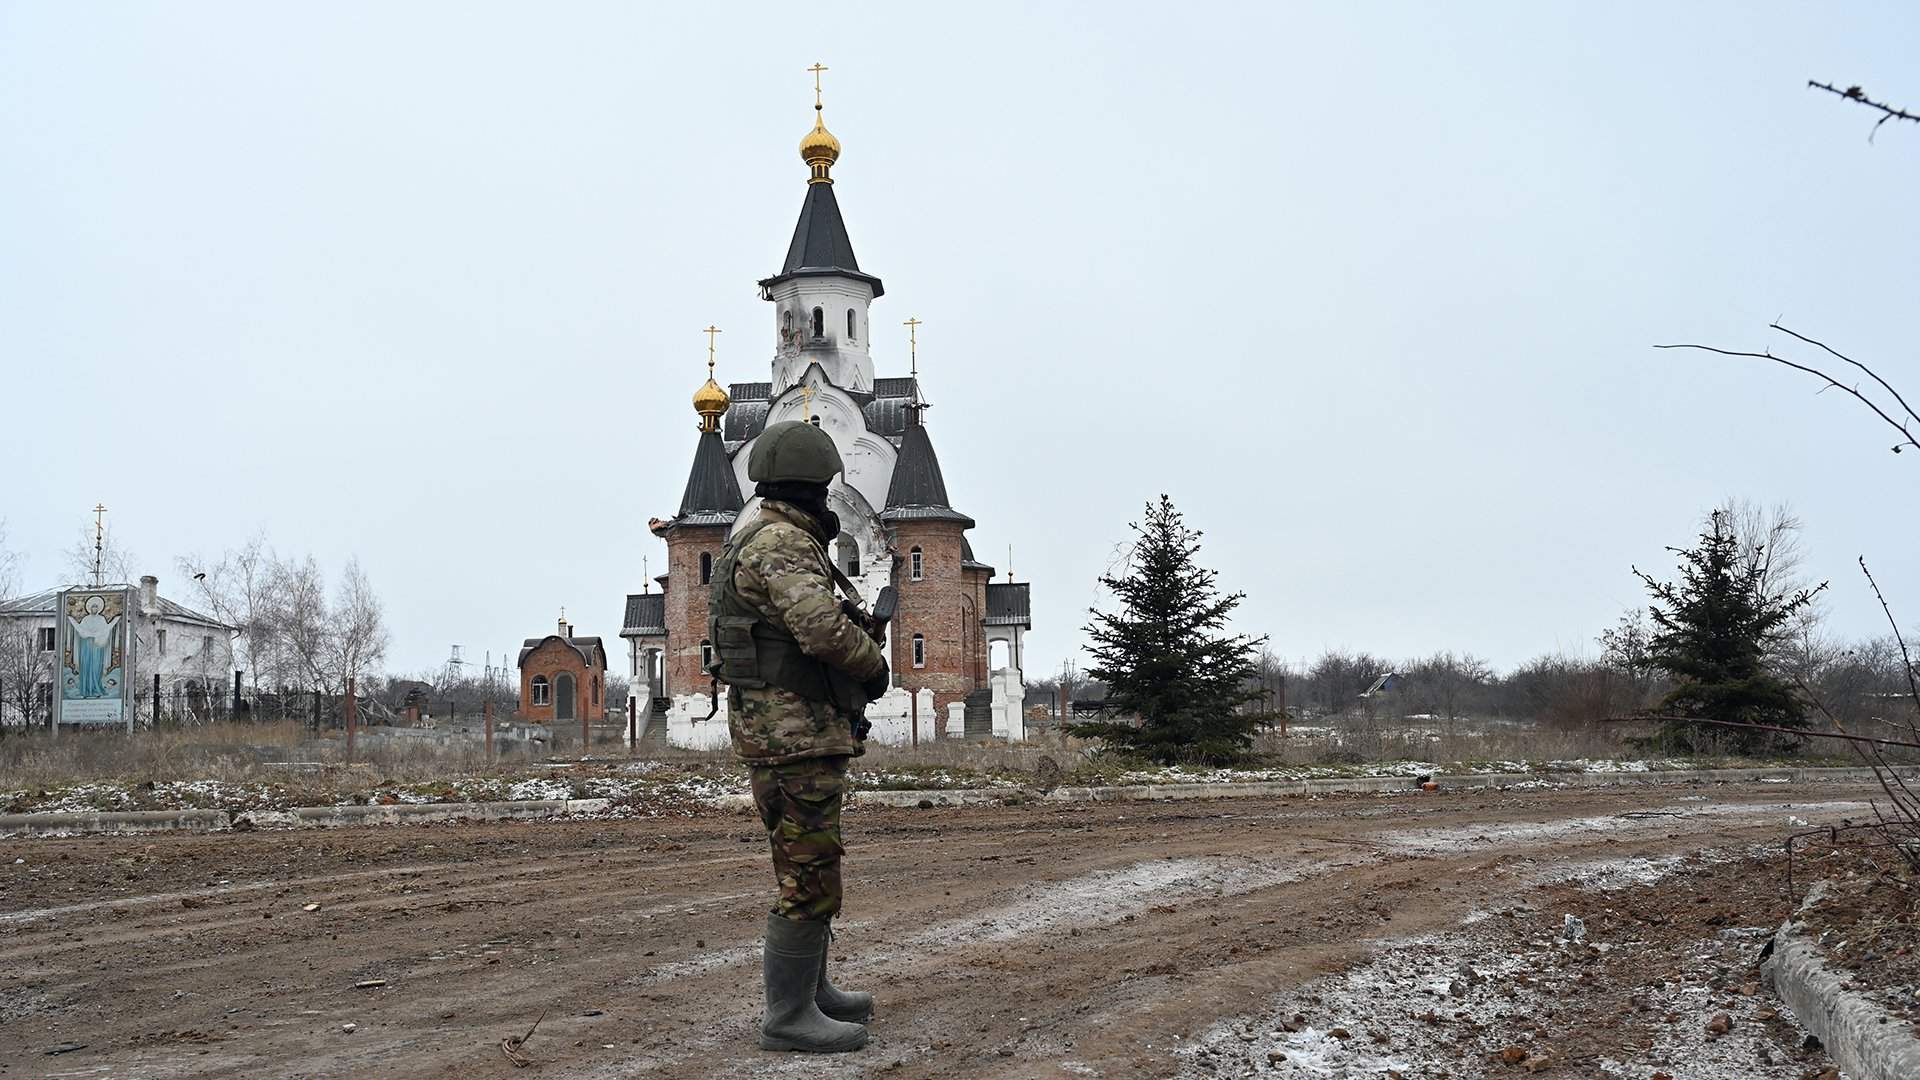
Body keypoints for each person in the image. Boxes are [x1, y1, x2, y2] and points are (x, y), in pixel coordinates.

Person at [707, 420, 891, 1053]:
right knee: (808, 869)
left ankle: (811, 991)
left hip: (785, 731)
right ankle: (788, 1015)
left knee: (808, 860)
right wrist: (873, 663)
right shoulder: (782, 543)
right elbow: (818, 631)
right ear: (815, 485)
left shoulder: (765, 536)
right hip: (792, 734)